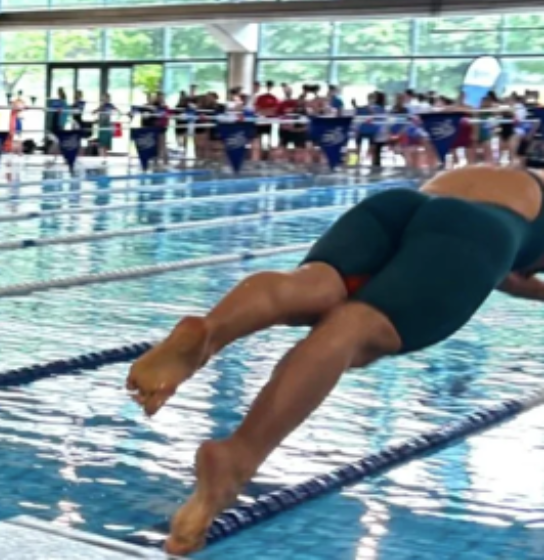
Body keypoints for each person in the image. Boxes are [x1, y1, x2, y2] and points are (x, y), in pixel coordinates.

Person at [126, 165, 544, 555]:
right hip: (480, 232)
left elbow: (505, 273)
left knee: (312, 286)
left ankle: (209, 333)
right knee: (354, 326)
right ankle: (238, 456)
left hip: (404, 204)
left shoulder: (501, 172)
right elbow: (499, 267)